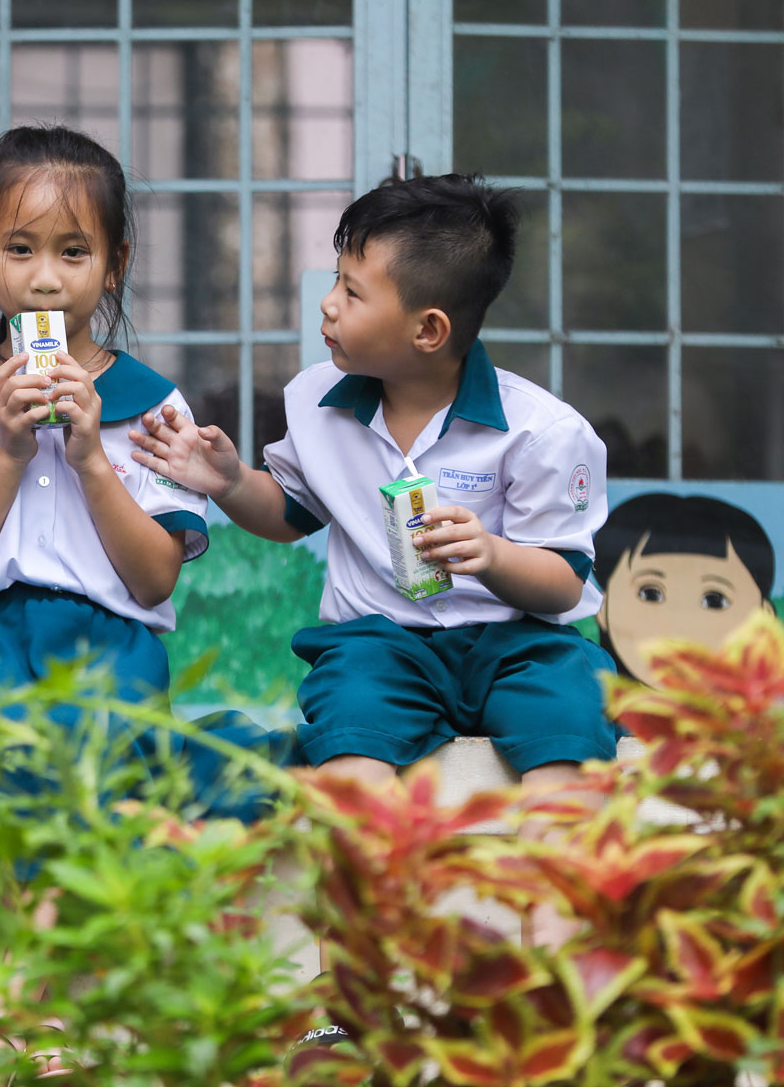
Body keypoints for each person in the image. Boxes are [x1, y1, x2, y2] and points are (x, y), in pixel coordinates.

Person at [131, 173, 619, 904]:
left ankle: (558, 963)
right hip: (381, 642)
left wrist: (492, 554)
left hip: (519, 641)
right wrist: (229, 481)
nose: (329, 304)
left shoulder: (542, 432)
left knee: (571, 731)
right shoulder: (317, 403)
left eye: (353, 293)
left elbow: (566, 581)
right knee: (350, 735)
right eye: (336, 279)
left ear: (428, 330)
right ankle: (350, 991)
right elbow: (292, 511)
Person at [0, 124, 286, 883]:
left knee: (100, 740)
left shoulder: (154, 409)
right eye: (19, 249)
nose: (46, 278)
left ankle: (41, 974)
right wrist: (11, 451)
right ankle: (25, 959)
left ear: (114, 266)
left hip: (109, 646)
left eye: (73, 252)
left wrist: (90, 457)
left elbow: (153, 581)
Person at [594, 493, 776, 683]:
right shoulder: (583, 709)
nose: (678, 623)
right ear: (602, 606)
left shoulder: (781, 710)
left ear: (765, 615)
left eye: (714, 600)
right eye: (650, 594)